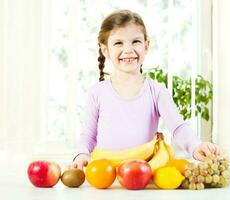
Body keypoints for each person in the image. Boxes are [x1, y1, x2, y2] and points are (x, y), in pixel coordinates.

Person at [69, 10, 220, 170]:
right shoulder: (97, 92)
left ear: (146, 45)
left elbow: (178, 126)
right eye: (118, 43)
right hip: (105, 177)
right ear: (105, 50)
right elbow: (89, 136)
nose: (128, 49)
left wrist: (195, 146)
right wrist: (81, 154)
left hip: (143, 176)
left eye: (135, 41)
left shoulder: (156, 91)